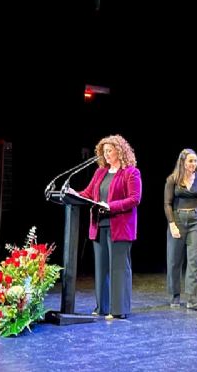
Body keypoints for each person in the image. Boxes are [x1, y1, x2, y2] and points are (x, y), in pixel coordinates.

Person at [77, 134, 142, 320]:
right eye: (103, 151)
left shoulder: (131, 173)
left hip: (120, 227)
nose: (105, 155)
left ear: (119, 151)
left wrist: (110, 206)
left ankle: (118, 309)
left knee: (118, 268)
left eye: (109, 151)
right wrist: (73, 194)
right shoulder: (100, 172)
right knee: (102, 268)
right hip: (99, 225)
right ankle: (102, 308)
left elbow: (134, 199)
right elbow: (88, 193)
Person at [164, 148, 197, 310]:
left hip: (195, 221)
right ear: (182, 162)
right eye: (190, 161)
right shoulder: (173, 179)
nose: (193, 164)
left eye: (195, 161)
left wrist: (196, 207)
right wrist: (172, 224)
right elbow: (167, 203)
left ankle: (192, 297)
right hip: (177, 219)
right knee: (174, 259)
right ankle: (174, 295)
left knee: (193, 260)